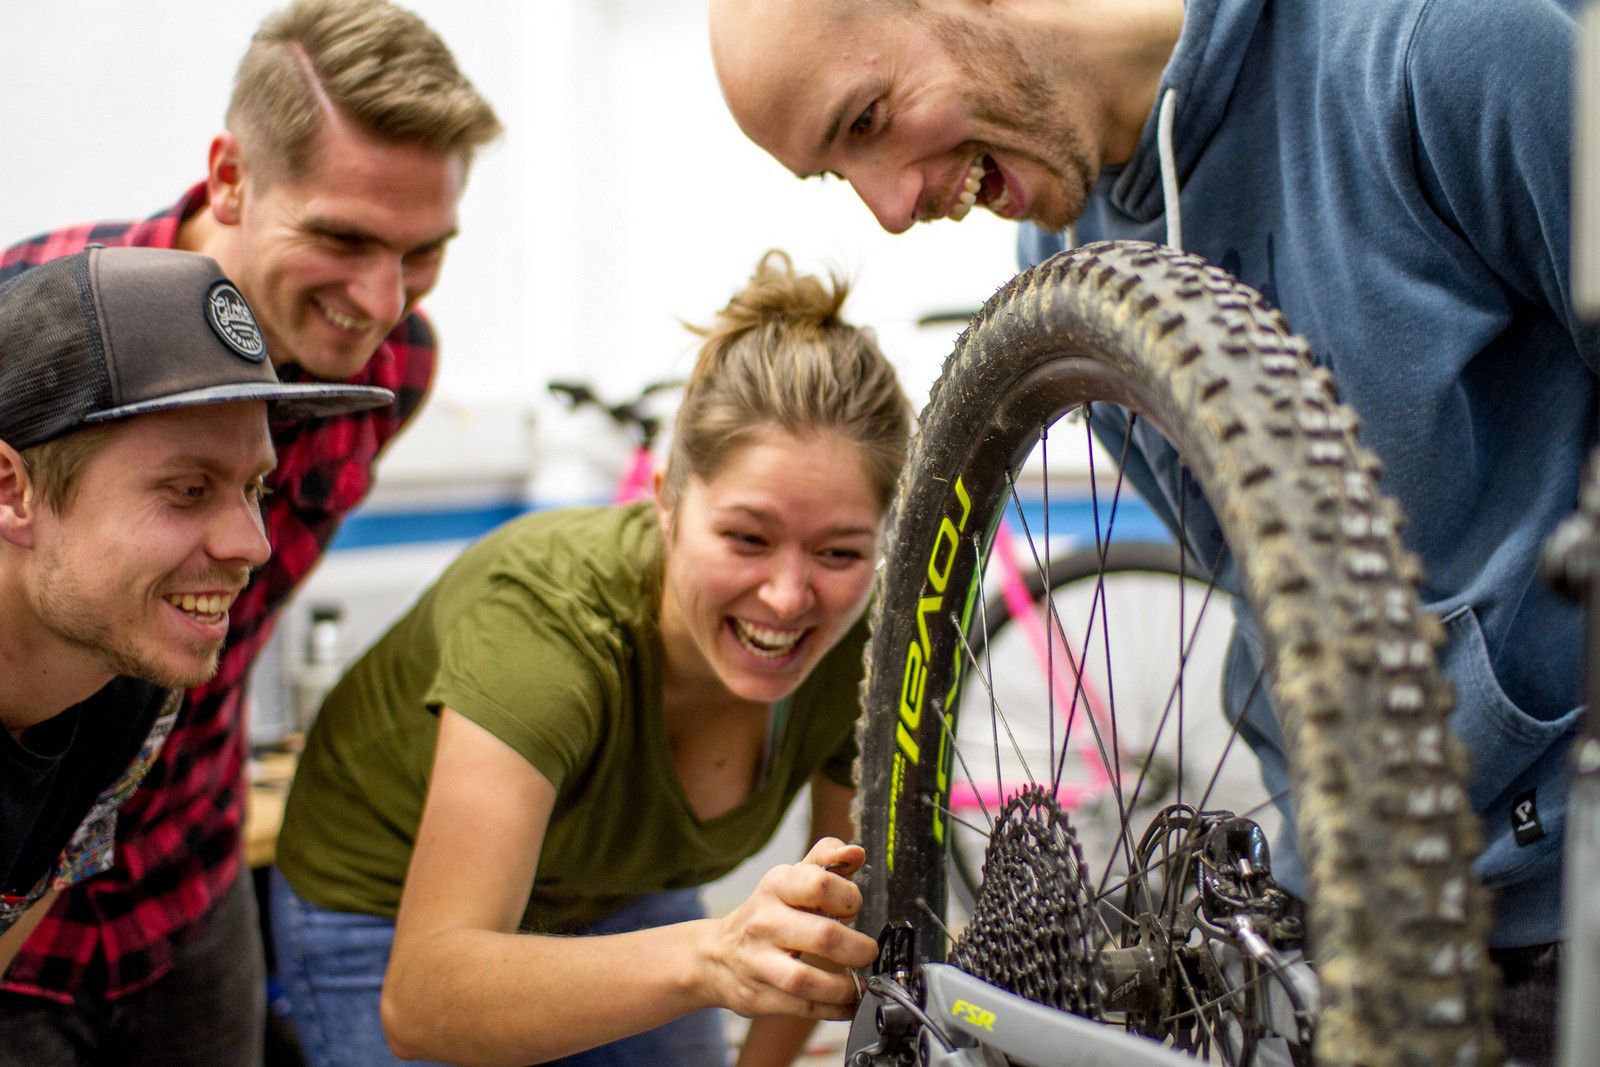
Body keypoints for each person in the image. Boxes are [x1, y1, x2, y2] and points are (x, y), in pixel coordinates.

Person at [710, 0, 1594, 1061]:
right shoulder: (1064, 243)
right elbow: (1266, 584)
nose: (892, 209)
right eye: (837, 173)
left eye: (867, 119)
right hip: (1350, 905)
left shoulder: (1444, 45)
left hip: (1565, 905)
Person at [0, 1, 500, 1062]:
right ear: (230, 177)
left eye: (422, 252)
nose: (381, 298)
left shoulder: (390, 369)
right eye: (343, 237)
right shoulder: (29, 324)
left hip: (187, 881)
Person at [268, 250, 905, 1067]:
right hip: (386, 907)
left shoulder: (864, 648)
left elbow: (832, 927)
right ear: (666, 500)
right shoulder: (547, 628)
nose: (787, 597)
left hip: (610, 889)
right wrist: (712, 956)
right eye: (747, 538)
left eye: (839, 551)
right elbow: (422, 999)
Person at [0, 246, 391, 973]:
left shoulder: (128, 690)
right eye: (187, 490)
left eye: (255, 490)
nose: (254, 546)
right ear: (11, 490)